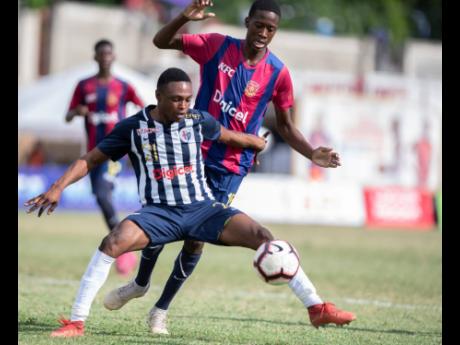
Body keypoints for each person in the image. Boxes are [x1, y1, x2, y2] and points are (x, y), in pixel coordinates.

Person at [25, 68, 355, 338]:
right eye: (176, 99)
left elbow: (226, 135)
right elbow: (91, 158)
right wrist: (57, 187)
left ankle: (316, 308)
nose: (183, 105)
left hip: (202, 209)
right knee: (111, 242)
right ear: (158, 98)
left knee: (265, 237)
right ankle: (76, 322)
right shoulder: (133, 128)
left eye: (187, 99)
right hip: (157, 213)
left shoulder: (197, 120)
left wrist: (254, 143)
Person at [105, 0, 348, 334]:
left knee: (194, 241)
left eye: (270, 28)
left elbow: (287, 127)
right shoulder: (217, 46)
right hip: (191, 153)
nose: (263, 33)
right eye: (258, 25)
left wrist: (311, 154)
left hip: (231, 168)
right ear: (247, 22)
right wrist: (182, 18)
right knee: (161, 218)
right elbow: (161, 42)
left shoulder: (278, 73)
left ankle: (160, 309)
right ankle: (141, 282)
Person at [66, 39, 144, 275]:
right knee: (101, 199)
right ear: (95, 57)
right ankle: (123, 245)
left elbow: (144, 109)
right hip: (93, 154)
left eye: (109, 53)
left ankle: (124, 249)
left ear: (114, 56)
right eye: (101, 54)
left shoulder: (123, 86)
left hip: (115, 154)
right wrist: (76, 111)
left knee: (103, 193)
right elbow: (68, 116)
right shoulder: (84, 86)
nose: (105, 57)